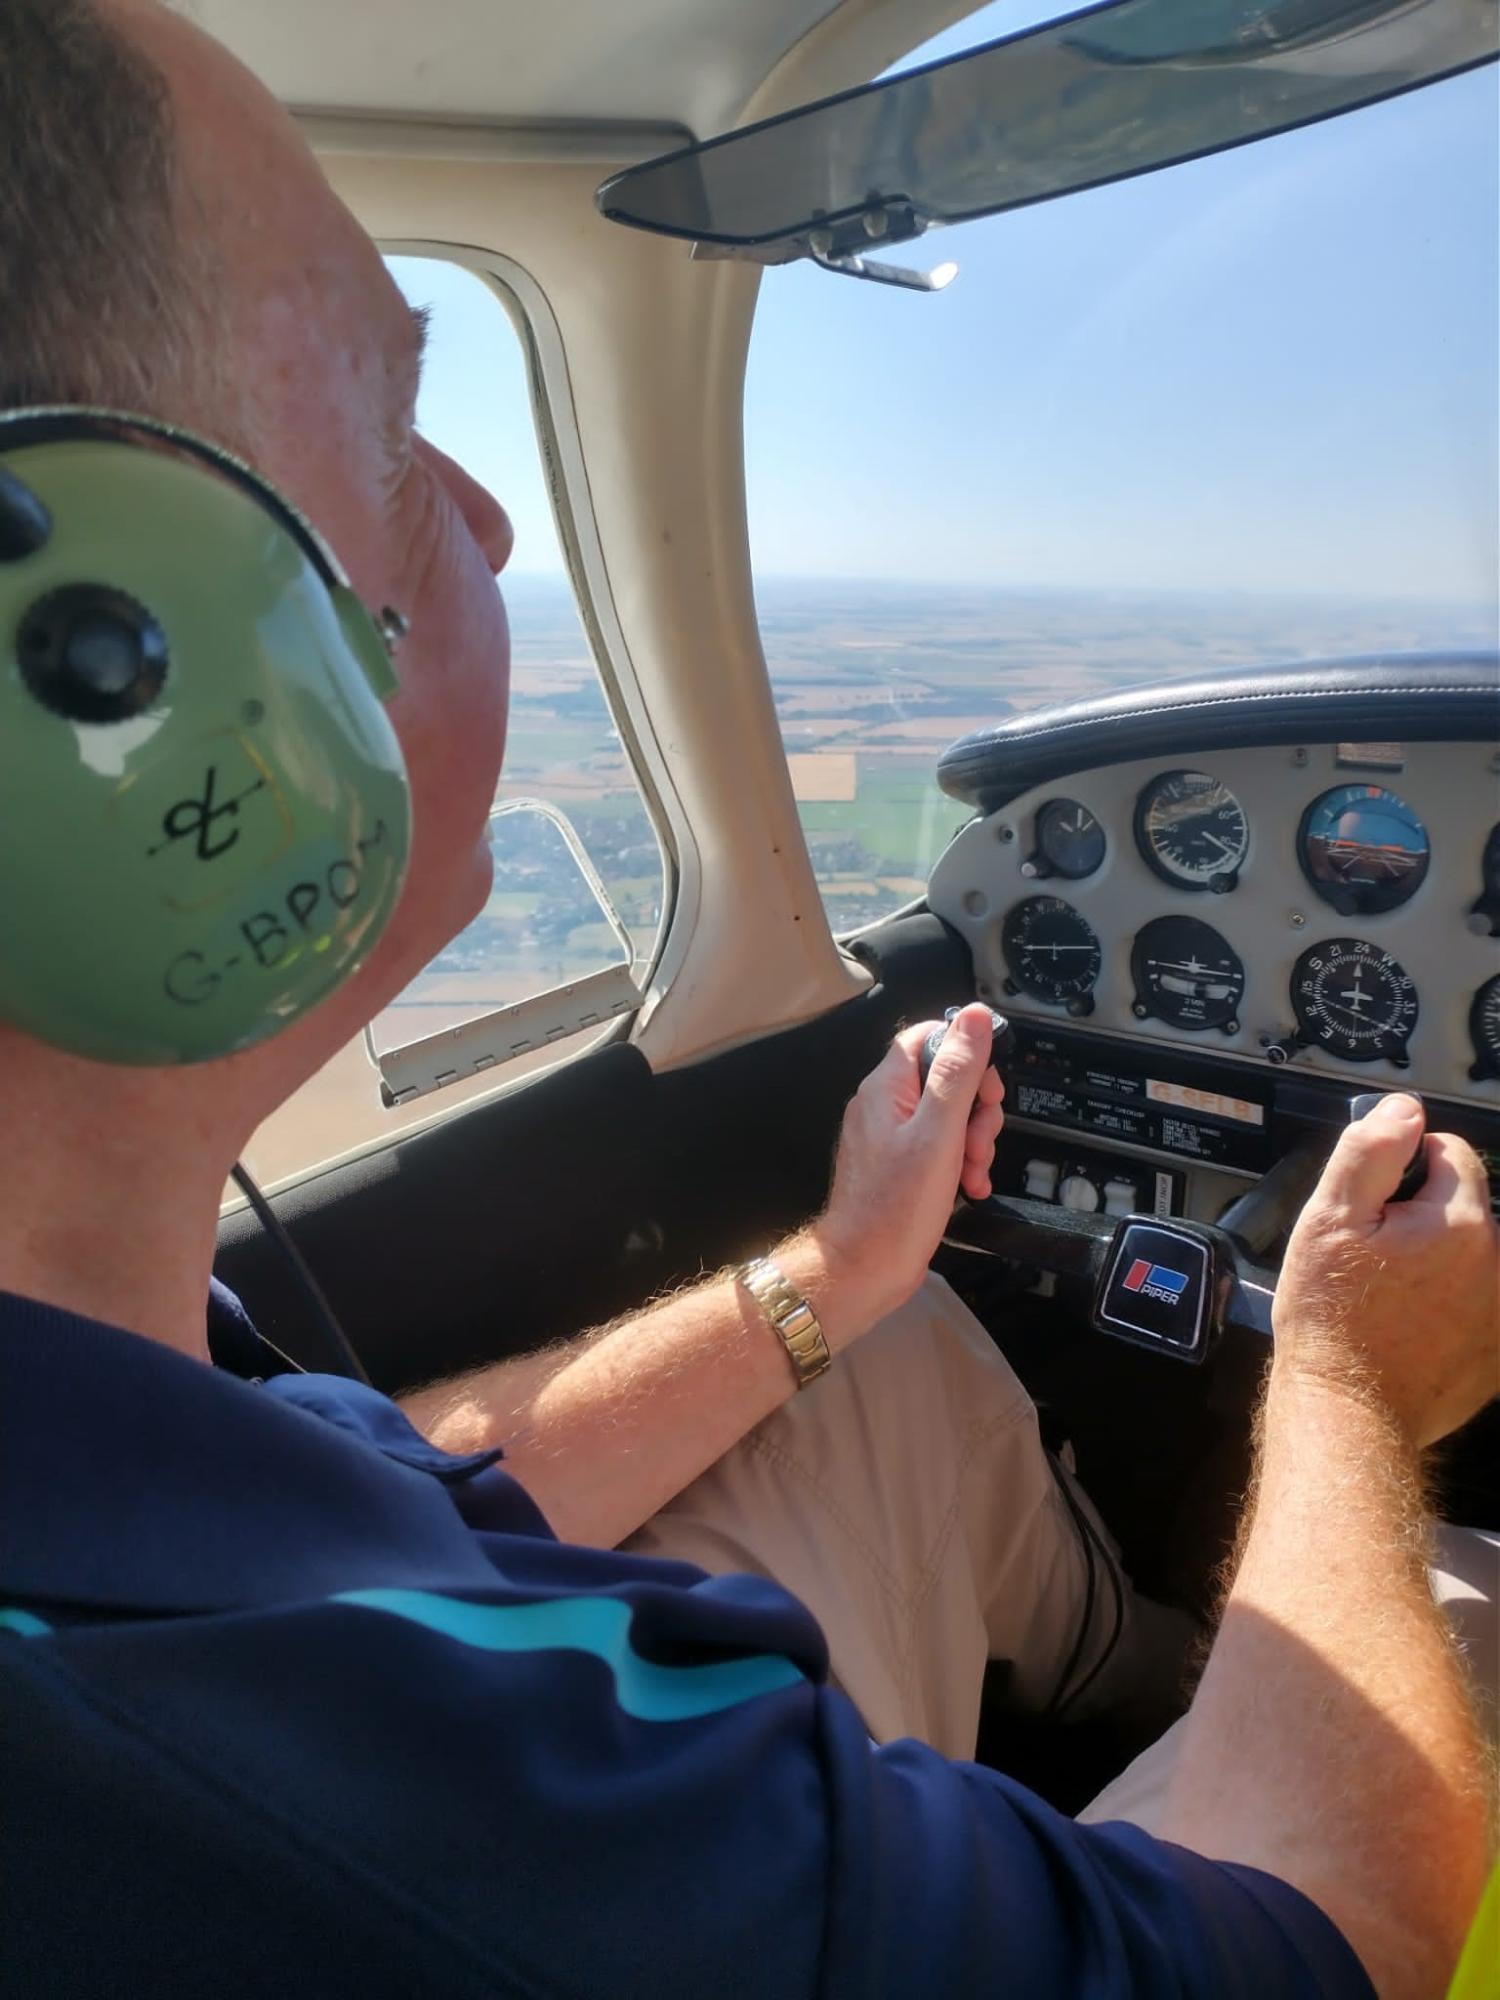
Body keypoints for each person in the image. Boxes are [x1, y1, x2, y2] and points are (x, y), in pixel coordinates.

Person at [0, 4, 1494, 1996]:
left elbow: (400, 1483)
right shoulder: (405, 1827)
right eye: (384, 432)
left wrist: (841, 1268)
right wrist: (1347, 1386)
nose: (495, 521)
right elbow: (1339, 1932)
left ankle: (1157, 1670)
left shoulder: (107, 1411)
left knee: (897, 1354)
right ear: (99, 667)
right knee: (1453, 1632)